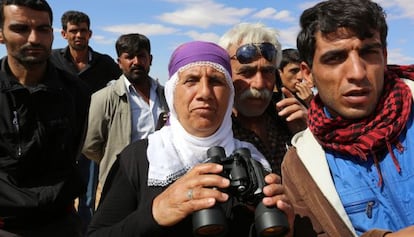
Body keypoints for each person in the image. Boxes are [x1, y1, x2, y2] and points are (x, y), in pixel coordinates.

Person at [87, 41, 294, 237]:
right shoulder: (142, 158)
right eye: (191, 80)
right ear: (171, 93)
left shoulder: (253, 160)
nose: (204, 93)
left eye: (216, 81)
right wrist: (155, 213)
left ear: (230, 94)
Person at [281, 0, 414, 236]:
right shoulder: (300, 166)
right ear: (308, 73)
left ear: (384, 56)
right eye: (335, 58)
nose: (357, 72)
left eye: (368, 53)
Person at [0, 0, 90, 236]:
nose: (34, 39)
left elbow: (74, 151)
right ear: (1, 34)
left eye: (42, 29)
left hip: (62, 223)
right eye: (20, 28)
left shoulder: (75, 92)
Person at [50, 10, 122, 232]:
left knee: (88, 196)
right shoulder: (52, 60)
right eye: (73, 31)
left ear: (90, 34)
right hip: (59, 140)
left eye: (83, 30)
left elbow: (122, 88)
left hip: (92, 139)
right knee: (56, 191)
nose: (78, 35)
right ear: (64, 34)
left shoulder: (105, 63)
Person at [82, 33, 168, 203]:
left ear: (150, 59)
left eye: (141, 56)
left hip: (161, 179)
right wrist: (115, 162)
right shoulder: (104, 98)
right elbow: (90, 146)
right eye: (129, 57)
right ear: (119, 62)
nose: (136, 62)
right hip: (121, 182)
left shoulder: (166, 95)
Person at [218, 23, 307, 175]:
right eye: (246, 72)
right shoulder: (216, 132)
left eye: (267, 71)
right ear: (225, 76)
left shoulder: (290, 120)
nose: (259, 84)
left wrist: (308, 134)